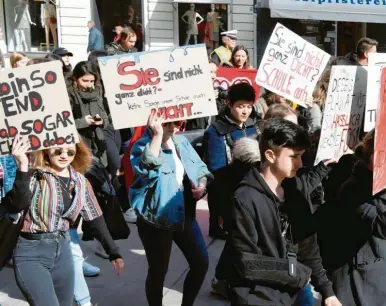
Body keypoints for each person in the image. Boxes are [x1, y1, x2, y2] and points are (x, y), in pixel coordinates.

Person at [225, 118, 341, 306]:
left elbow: (308, 247)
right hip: (257, 297)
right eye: (294, 156)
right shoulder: (245, 198)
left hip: (294, 290)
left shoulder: (295, 190)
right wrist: (295, 271)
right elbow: (247, 262)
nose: (300, 164)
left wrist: (327, 291)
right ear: (270, 155)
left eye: (301, 156)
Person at [4, 137, 124, 306]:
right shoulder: (36, 174)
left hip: (63, 251)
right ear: (47, 150)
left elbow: (95, 217)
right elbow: (18, 204)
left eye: (70, 151)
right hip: (30, 253)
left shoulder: (80, 181)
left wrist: (113, 252)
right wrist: (23, 167)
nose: (64, 155)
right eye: (59, 150)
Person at [318, 129, 386, 306]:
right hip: (364, 284)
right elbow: (384, 227)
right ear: (376, 156)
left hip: (384, 276)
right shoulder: (354, 187)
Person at [130, 112, 212, 306]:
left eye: (177, 123)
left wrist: (202, 185)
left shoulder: (181, 141)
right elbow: (147, 166)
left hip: (184, 214)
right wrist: (157, 136)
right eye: (168, 123)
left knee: (200, 263)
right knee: (158, 272)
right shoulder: (143, 144)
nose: (174, 127)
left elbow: (201, 168)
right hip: (156, 219)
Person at [203, 82, 259, 172]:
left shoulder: (256, 127)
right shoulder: (217, 131)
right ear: (229, 104)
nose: (245, 111)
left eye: (249, 107)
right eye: (241, 107)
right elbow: (217, 169)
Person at [68, 61, 110, 167]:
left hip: (98, 140)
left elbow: (104, 113)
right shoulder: (68, 95)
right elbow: (62, 123)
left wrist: (102, 121)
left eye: (92, 81)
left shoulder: (97, 91)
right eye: (85, 80)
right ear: (75, 78)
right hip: (78, 142)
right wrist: (83, 122)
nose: (89, 85)